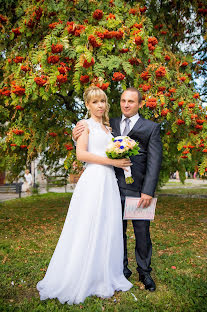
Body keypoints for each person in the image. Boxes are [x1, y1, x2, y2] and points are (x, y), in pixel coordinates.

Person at [37, 86, 133, 305]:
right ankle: (81, 273)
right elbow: (81, 154)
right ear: (88, 105)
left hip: (109, 182)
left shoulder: (109, 128)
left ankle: (103, 274)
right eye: (95, 102)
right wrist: (113, 162)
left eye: (103, 101)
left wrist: (119, 162)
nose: (100, 105)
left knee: (106, 226)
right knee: (88, 225)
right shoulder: (84, 125)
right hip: (93, 181)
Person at [73, 87, 163, 292]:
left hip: (139, 190)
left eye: (131, 101)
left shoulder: (151, 127)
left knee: (142, 232)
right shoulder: (109, 123)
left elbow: (154, 162)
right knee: (115, 231)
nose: (126, 105)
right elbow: (90, 136)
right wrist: (74, 135)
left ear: (140, 104)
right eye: (123, 100)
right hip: (112, 188)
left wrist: (148, 191)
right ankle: (120, 269)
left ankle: (144, 272)